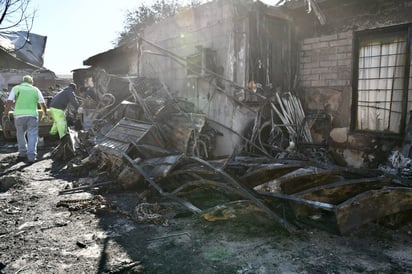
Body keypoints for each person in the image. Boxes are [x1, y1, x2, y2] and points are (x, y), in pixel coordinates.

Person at [3, 75, 48, 163]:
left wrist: (6, 114)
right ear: (31, 82)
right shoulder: (35, 89)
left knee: (20, 135)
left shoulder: (16, 88)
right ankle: (31, 157)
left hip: (19, 116)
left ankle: (22, 154)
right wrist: (45, 114)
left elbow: (9, 102)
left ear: (23, 81)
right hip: (32, 116)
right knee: (32, 135)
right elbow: (42, 104)